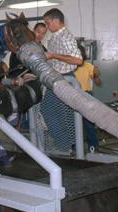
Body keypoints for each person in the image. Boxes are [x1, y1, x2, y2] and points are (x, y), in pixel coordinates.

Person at [40, 8, 83, 153]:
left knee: (54, 112)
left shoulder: (65, 37)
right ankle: (67, 146)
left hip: (65, 78)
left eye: (47, 23)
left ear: (56, 21)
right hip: (56, 77)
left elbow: (78, 60)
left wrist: (53, 55)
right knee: (57, 112)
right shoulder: (54, 37)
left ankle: (68, 146)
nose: (46, 27)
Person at [8, 22, 47, 130]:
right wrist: (21, 78)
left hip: (35, 86)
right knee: (18, 113)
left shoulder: (43, 50)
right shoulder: (21, 47)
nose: (40, 35)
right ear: (33, 31)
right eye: (38, 32)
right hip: (19, 84)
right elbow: (13, 67)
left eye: (43, 33)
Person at [74, 45, 101, 152]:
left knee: (89, 123)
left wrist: (95, 75)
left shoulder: (87, 66)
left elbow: (98, 82)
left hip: (86, 95)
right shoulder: (68, 66)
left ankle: (92, 147)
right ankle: (74, 148)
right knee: (73, 123)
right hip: (73, 95)